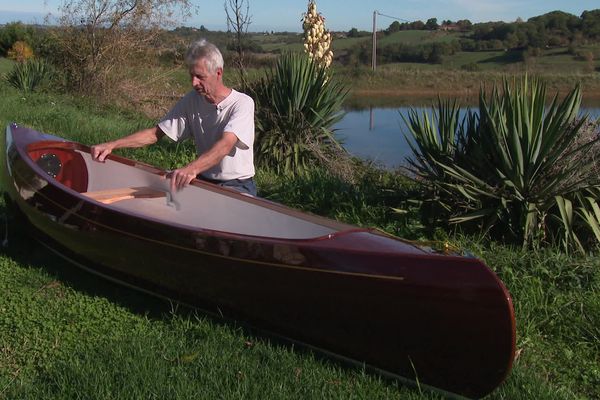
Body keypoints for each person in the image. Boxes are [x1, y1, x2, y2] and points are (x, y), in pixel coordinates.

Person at [91, 39, 257, 196]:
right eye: (191, 75)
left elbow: (225, 145)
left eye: (200, 77)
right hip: (203, 180)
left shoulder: (242, 103)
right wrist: (112, 145)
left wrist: (191, 169)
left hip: (237, 185)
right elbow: (155, 133)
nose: (193, 83)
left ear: (218, 73)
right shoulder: (191, 100)